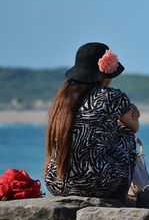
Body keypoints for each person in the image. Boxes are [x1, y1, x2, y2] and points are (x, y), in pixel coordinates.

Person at [44, 42, 140, 204]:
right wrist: (130, 111)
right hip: (100, 185)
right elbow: (134, 127)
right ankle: (124, 195)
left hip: (57, 184)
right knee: (126, 133)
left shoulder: (63, 98)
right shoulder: (113, 97)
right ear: (106, 72)